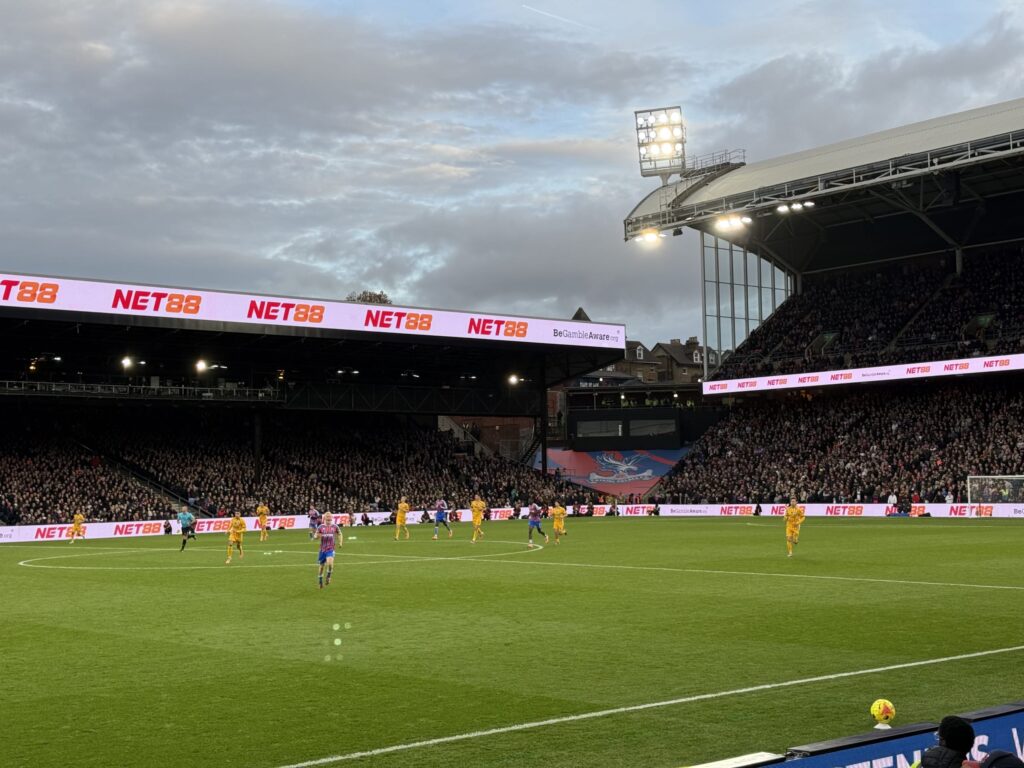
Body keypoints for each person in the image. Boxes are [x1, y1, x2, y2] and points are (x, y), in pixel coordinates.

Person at [315, 512, 343, 589]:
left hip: (330, 549)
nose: (328, 519)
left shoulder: (334, 526)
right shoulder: (321, 527)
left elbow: (340, 534)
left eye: (330, 517)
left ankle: (328, 576)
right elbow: (316, 535)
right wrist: (316, 536)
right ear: (325, 518)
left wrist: (340, 542)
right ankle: (320, 581)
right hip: (322, 550)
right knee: (321, 567)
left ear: (331, 518)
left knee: (330, 564)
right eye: (327, 517)